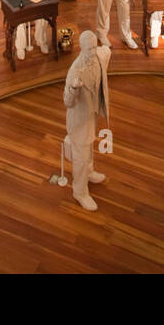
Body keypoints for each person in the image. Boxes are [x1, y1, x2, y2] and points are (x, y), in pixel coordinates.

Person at [62, 30, 110, 211]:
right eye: (88, 49)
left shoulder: (99, 56)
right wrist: (74, 88)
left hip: (92, 115)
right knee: (80, 158)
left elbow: (107, 52)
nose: (92, 52)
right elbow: (67, 101)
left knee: (89, 147)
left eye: (94, 47)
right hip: (78, 121)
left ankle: (89, 172)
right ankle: (80, 191)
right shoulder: (75, 71)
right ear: (81, 48)